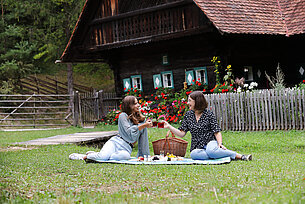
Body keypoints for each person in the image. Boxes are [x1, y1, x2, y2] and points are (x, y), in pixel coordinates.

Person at [163, 91, 252, 161]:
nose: (187, 103)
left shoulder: (208, 114)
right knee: (194, 155)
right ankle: (218, 155)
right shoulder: (188, 115)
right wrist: (169, 126)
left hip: (211, 142)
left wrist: (220, 144)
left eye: (190, 100)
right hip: (197, 146)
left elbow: (216, 131)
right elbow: (182, 133)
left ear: (197, 101)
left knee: (210, 150)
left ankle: (240, 156)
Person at [83, 95, 152, 161]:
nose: (138, 105)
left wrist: (144, 156)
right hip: (116, 143)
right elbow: (128, 132)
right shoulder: (123, 116)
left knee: (126, 156)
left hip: (127, 148)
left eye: (138, 103)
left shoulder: (140, 120)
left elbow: (143, 140)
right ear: (129, 106)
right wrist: (144, 125)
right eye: (135, 104)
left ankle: (101, 155)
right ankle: (84, 156)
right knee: (102, 158)